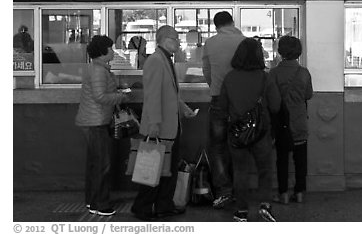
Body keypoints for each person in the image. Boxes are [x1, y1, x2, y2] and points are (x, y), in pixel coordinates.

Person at [131, 26, 198, 220]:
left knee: (167, 171)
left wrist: (184, 110)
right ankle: (142, 207)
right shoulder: (155, 61)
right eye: (175, 39)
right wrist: (154, 124)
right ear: (163, 39)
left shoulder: (166, 60)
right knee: (152, 170)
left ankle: (164, 205)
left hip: (171, 127)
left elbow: (171, 95)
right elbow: (152, 96)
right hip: (159, 127)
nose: (178, 42)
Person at [218, 38, 281, 222]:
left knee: (240, 171)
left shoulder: (230, 77)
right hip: (261, 133)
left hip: (237, 133)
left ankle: (241, 211)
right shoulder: (265, 77)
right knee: (265, 170)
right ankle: (265, 206)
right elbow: (276, 105)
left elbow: (222, 107)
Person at [75, 35, 131, 216]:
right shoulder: (99, 71)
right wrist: (121, 96)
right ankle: (101, 204)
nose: (113, 51)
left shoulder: (98, 69)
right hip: (95, 121)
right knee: (102, 165)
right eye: (111, 48)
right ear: (103, 52)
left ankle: (92, 202)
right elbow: (100, 97)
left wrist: (117, 89)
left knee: (95, 164)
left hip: (93, 120)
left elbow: (101, 92)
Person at [202, 11, 245, 209]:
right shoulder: (245, 41)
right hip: (241, 102)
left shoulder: (210, 43)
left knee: (218, 147)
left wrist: (215, 88)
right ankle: (240, 190)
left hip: (219, 100)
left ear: (216, 25)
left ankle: (224, 191)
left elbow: (207, 72)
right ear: (232, 22)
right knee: (240, 145)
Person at [268, 36, 313, 204]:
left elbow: (271, 101)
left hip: (281, 124)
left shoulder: (273, 73)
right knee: (300, 159)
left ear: (280, 51)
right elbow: (308, 95)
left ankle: (283, 194)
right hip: (300, 122)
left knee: (282, 159)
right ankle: (300, 192)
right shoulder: (304, 72)